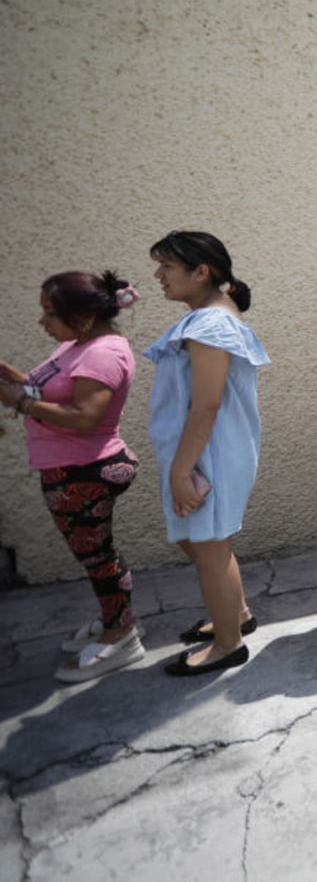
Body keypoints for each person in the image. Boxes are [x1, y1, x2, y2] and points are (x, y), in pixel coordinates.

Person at [0, 271, 144, 681]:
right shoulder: (75, 344)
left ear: (82, 318)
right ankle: (117, 618)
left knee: (98, 558)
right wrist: (11, 378)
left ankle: (122, 636)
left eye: (50, 313)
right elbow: (46, 391)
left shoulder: (102, 353)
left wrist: (20, 404)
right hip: (71, 466)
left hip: (84, 470)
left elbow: (86, 416)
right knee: (99, 555)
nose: (41, 322)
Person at [146, 231, 269, 674]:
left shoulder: (212, 324)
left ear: (202, 272)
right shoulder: (207, 317)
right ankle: (233, 614)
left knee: (210, 547)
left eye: (167, 268)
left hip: (208, 454)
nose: (158, 276)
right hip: (201, 452)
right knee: (197, 540)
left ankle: (227, 644)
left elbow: (208, 404)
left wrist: (181, 471)